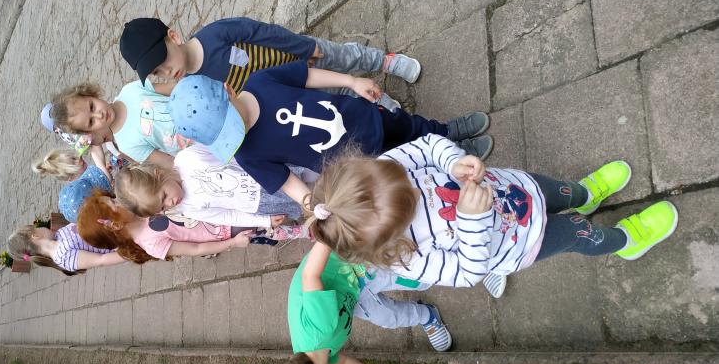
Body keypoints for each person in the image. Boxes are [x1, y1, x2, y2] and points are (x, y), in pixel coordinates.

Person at [304, 135, 678, 289]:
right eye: (409, 202)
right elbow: (469, 273)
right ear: (388, 237)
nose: (417, 189)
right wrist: (471, 220)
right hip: (520, 241)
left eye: (405, 182)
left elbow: (426, 147)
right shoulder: (408, 259)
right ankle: (625, 240)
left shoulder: (384, 167)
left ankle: (586, 195)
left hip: (516, 188)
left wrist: (452, 161)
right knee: (579, 234)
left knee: (561, 191)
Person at [120, 16, 491, 153]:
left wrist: (304, 47)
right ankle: (387, 108)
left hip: (299, 56)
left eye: (163, 61)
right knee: (343, 96)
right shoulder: (196, 90)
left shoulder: (216, 35)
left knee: (348, 57)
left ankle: (385, 61)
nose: (167, 72)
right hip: (291, 89)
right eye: (158, 73)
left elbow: (263, 33)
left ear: (173, 36)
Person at [166, 67, 491, 217]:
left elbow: (307, 76)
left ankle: (448, 134)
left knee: (412, 127)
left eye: (232, 124)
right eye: (225, 137)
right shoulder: (247, 154)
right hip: (356, 163)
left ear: (228, 89)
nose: (236, 135)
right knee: (405, 169)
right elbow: (287, 182)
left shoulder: (262, 81)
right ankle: (450, 165)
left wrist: (351, 81)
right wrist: (312, 203)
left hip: (365, 118)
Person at [262, 240, 450, 364]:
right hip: (347, 289)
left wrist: (327, 234)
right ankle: (427, 315)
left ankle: (453, 249)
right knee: (389, 318)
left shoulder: (320, 328)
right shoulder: (314, 359)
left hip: (351, 261)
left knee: (422, 277)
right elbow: (341, 363)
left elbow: (310, 275)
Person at [114, 147, 310, 242]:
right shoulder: (188, 208)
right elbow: (227, 216)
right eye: (163, 208)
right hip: (262, 203)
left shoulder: (187, 159)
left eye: (164, 196)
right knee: (310, 201)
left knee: (310, 173)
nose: (171, 203)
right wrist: (264, 220)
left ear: (159, 175)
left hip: (264, 172)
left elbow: (228, 149)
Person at [76, 190, 260, 261]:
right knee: (268, 225)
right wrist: (233, 243)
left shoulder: (142, 206)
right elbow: (196, 249)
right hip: (227, 229)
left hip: (217, 204)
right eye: (115, 203)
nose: (120, 199)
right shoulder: (151, 243)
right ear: (115, 225)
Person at [47, 79, 184, 171]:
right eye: (91, 122)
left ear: (90, 94)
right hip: (191, 143)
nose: (99, 115)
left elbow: (173, 88)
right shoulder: (126, 145)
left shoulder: (130, 90)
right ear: (89, 132)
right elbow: (170, 163)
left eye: (92, 107)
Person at [6, 221, 142, 274]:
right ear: (35, 236)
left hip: (120, 226)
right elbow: (101, 259)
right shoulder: (63, 257)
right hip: (127, 242)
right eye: (37, 228)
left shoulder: (59, 234)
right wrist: (134, 252)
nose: (42, 227)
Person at [32, 147, 113, 223]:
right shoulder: (85, 188)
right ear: (70, 177)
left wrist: (103, 170)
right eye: (74, 161)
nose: (79, 158)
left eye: (74, 157)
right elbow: (96, 151)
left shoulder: (83, 187)